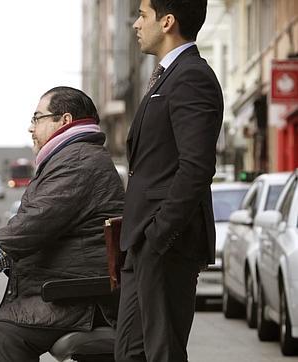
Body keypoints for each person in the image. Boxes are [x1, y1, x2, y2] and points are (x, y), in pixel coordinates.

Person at [0, 86, 124, 362]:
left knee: (8, 334)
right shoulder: (75, 157)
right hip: (70, 288)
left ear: (64, 121)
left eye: (37, 118)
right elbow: (53, 231)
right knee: (9, 329)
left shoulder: (78, 161)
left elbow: (41, 218)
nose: (31, 128)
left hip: (83, 299)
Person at [115, 1, 223, 361]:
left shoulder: (192, 76)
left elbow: (196, 168)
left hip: (164, 244)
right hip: (143, 244)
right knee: (131, 352)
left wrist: (160, 233)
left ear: (167, 21)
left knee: (162, 352)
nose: (135, 24)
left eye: (143, 14)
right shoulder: (167, 75)